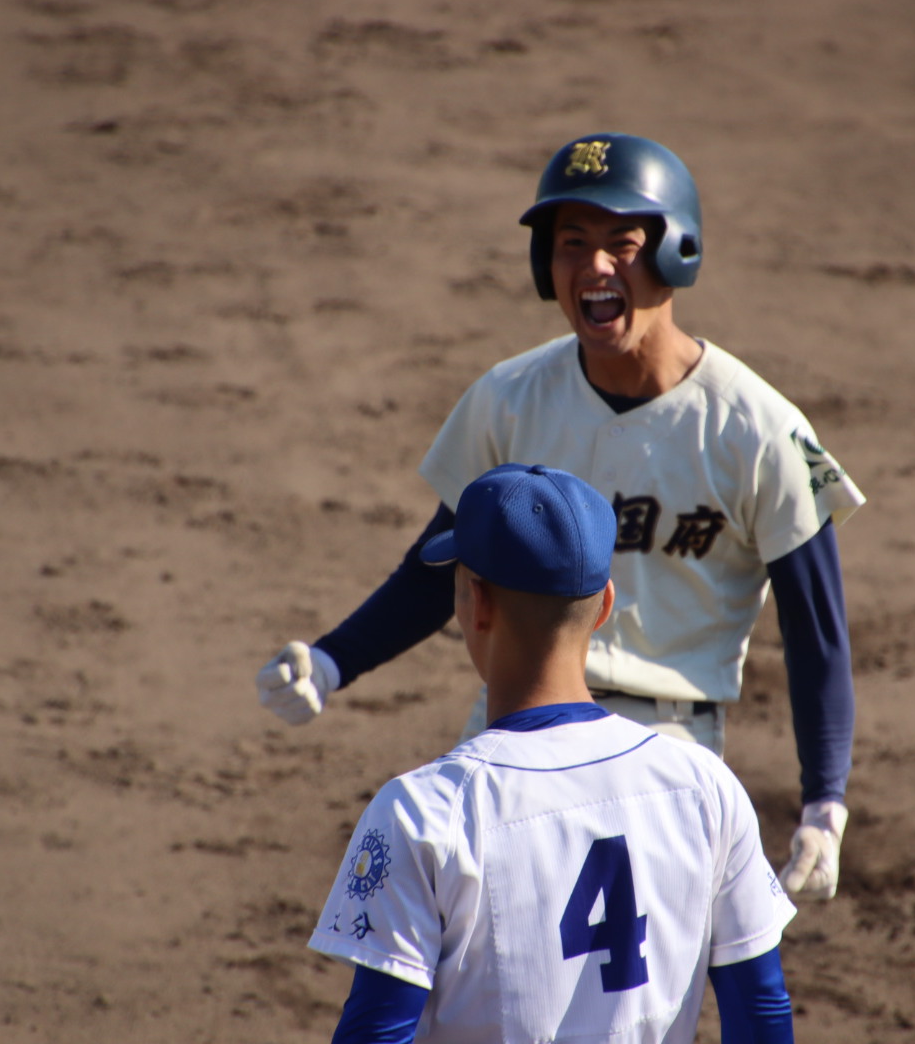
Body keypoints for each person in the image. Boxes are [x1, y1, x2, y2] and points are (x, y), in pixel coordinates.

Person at [260, 132, 866, 901]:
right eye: (571, 244)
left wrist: (826, 800)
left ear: (676, 253)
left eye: (623, 243)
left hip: (668, 747)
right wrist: (333, 658)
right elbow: (437, 565)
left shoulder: (758, 428)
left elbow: (818, 630)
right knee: (470, 973)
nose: (595, 266)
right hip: (509, 723)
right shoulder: (510, 398)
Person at [308, 462, 797, 1044]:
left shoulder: (423, 812)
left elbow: (376, 1033)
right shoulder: (704, 785)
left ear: (475, 603)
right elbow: (762, 1012)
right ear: (604, 604)